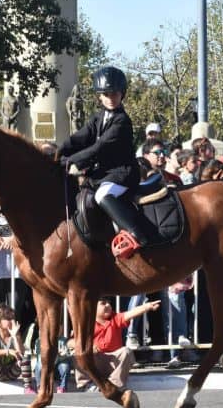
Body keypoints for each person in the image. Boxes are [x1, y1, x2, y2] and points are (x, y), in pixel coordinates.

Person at [58, 66, 149, 252]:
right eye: (106, 94)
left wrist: (73, 161)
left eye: (115, 93)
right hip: (105, 173)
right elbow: (80, 138)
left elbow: (99, 147)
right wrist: (58, 151)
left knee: (102, 195)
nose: (110, 98)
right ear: (99, 96)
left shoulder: (122, 121)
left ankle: (135, 234)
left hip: (123, 174)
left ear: (122, 93)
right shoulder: (98, 117)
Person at [86, 296, 160, 389]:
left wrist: (146, 307)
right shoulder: (87, 322)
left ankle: (113, 385)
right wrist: (88, 346)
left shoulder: (115, 317)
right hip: (95, 361)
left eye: (109, 303)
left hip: (114, 361)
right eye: (103, 303)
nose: (108, 305)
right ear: (93, 307)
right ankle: (87, 385)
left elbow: (130, 313)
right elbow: (71, 341)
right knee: (79, 352)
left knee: (126, 351)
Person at [0, 303, 34, 396]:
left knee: (25, 357)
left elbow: (21, 352)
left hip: (12, 371)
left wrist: (15, 336)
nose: (12, 321)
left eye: (13, 318)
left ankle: (28, 387)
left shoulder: (15, 334)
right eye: (8, 319)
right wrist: (8, 351)